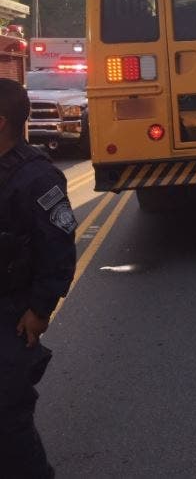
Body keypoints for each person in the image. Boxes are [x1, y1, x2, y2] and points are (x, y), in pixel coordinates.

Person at [0, 78, 77, 477]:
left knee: (7, 419)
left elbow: (58, 245)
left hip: (11, 311)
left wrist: (40, 308)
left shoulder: (37, 178)